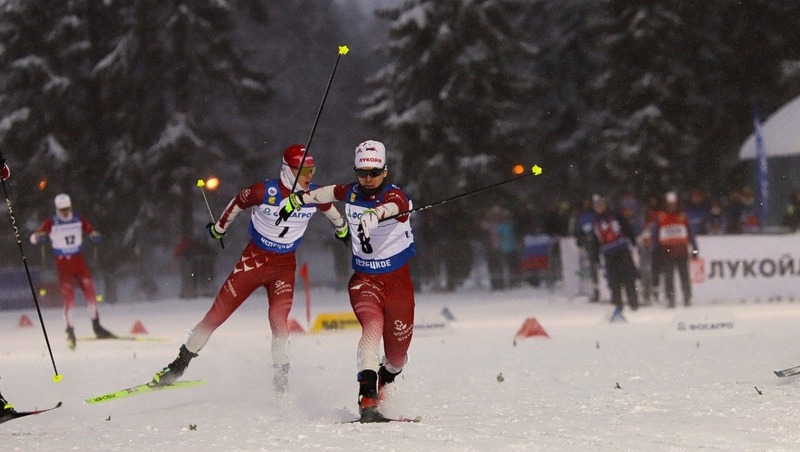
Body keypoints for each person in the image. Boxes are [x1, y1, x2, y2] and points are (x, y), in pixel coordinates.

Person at [150, 144, 348, 394]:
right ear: (287, 170)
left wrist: (342, 229)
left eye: (312, 170)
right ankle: (178, 365)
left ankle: (281, 382)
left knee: (279, 321)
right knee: (218, 313)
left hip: (284, 265)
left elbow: (331, 210)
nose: (309, 177)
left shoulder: (314, 194)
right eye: (303, 171)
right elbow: (236, 204)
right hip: (254, 259)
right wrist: (219, 229)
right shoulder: (264, 190)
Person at [279, 140, 415, 422]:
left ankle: (385, 378)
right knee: (371, 327)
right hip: (364, 280)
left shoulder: (398, 198)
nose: (367, 179)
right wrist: (297, 199)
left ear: (385, 171)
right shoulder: (351, 192)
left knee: (397, 357)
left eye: (374, 173)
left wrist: (374, 215)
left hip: (397, 283)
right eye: (362, 173)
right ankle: (367, 401)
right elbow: (325, 193)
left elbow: (391, 207)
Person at [30, 193, 114, 350]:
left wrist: (95, 236)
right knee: (69, 298)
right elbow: (33, 237)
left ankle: (97, 326)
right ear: (57, 209)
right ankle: (70, 330)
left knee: (90, 291)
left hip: (79, 261)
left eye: (67, 209)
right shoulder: (51, 221)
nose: (65, 212)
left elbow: (91, 231)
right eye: (62, 210)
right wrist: (38, 239)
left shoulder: (78, 218)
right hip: (63, 264)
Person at [591, 195, 639, 312]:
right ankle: (617, 305)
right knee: (614, 281)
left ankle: (634, 304)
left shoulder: (615, 216)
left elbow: (627, 228)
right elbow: (596, 241)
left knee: (629, 278)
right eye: (597, 206)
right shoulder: (596, 222)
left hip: (622, 250)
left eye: (601, 205)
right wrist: (596, 257)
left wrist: (633, 242)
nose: (600, 208)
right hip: (609, 253)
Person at [652, 191, 699, 308]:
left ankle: (687, 298)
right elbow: (655, 236)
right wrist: (656, 250)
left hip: (681, 251)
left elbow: (691, 234)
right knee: (669, 277)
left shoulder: (683, 217)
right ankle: (670, 299)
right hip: (666, 252)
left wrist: (695, 249)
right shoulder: (661, 218)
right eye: (669, 204)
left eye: (674, 204)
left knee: (684, 276)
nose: (672, 207)